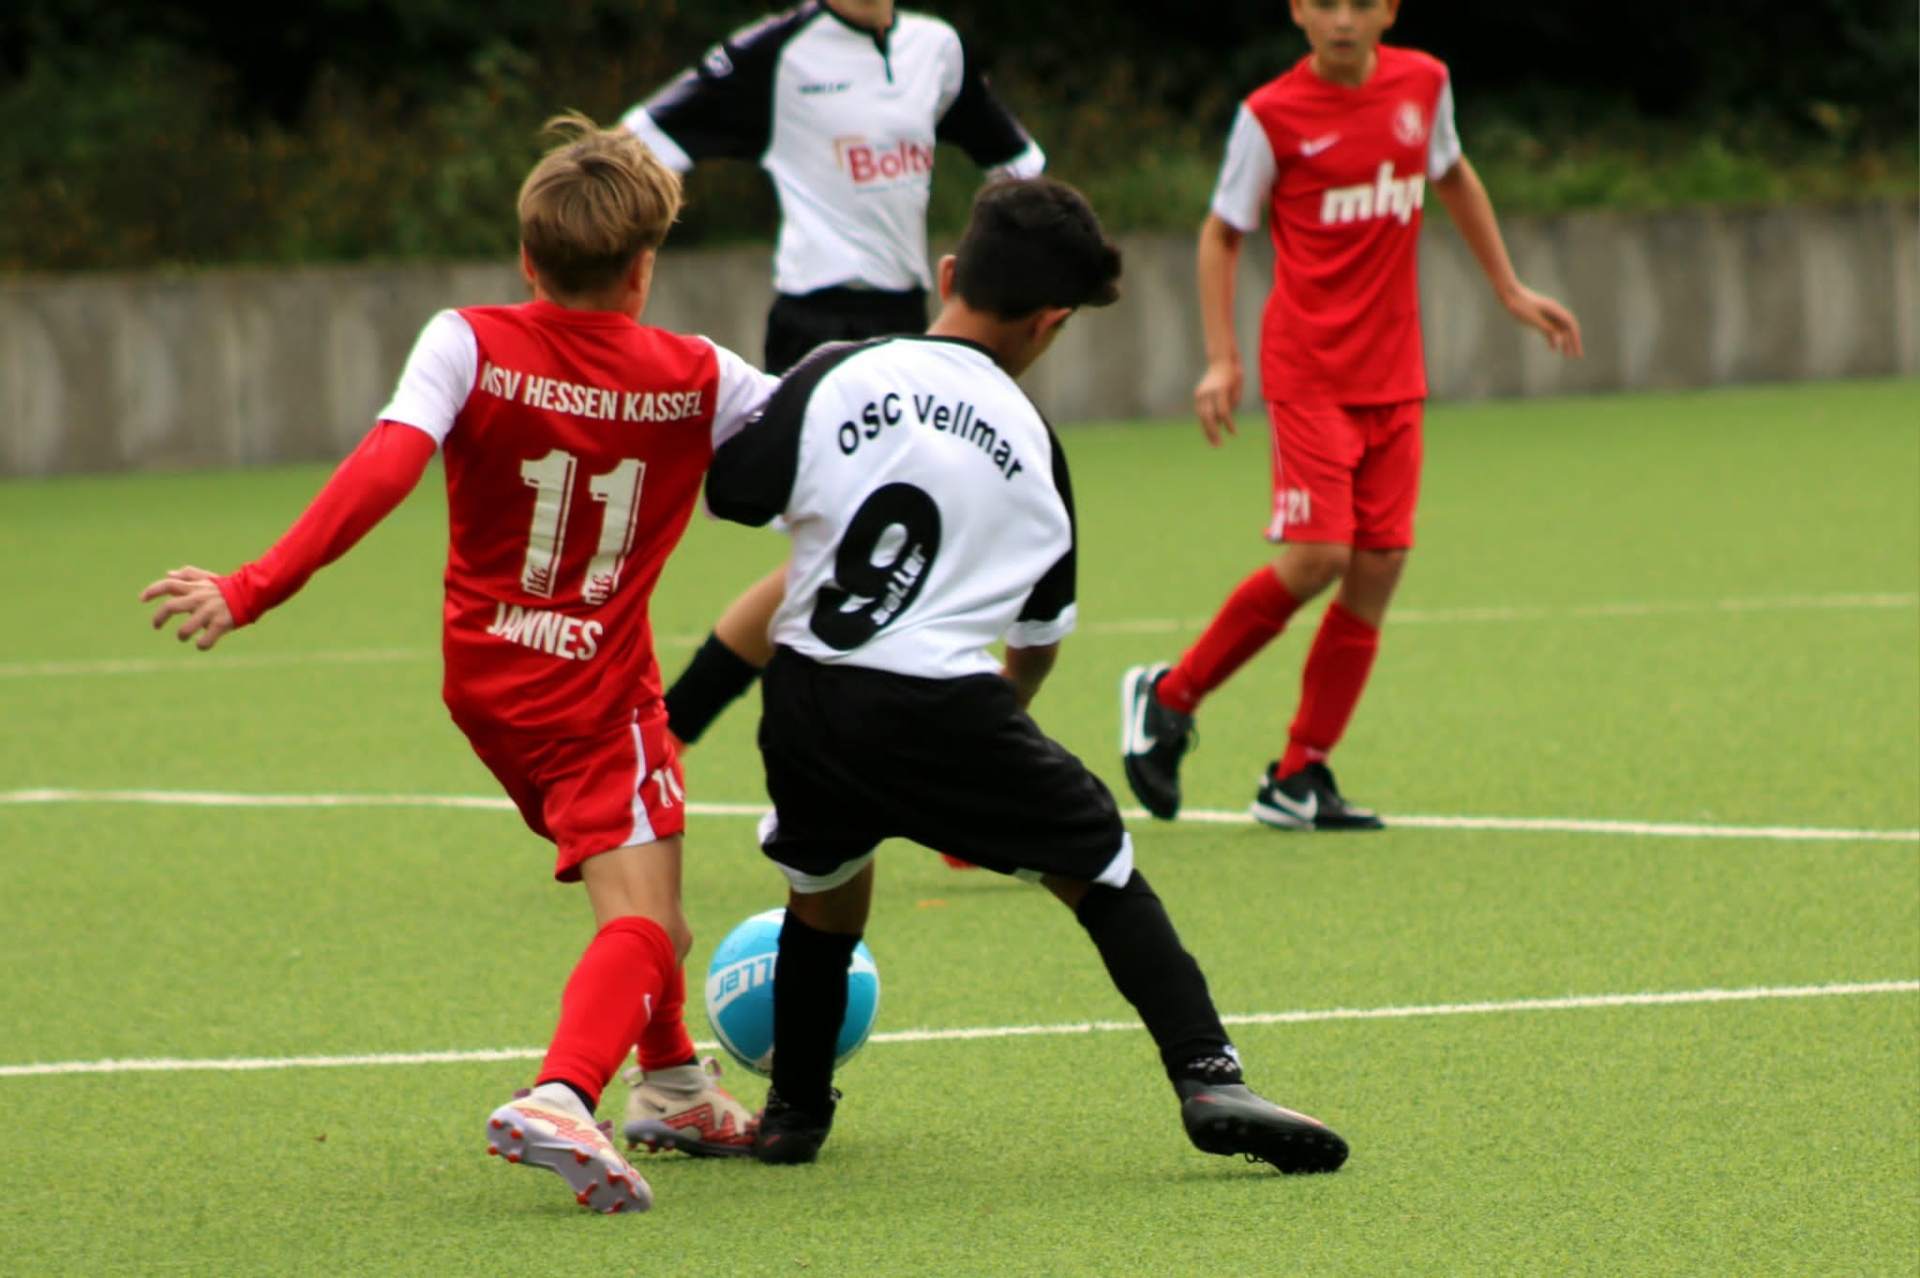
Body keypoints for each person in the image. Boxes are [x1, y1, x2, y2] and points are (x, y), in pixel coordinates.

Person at [140, 114, 775, 1213]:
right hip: (596, 691)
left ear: (528, 258)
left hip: (486, 686)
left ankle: (674, 1084)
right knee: (653, 922)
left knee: (636, 873)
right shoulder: (702, 375)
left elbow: (386, 465)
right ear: (644, 269)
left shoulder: (467, 341)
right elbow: (819, 431)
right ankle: (564, 1093)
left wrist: (252, 586)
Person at [700, 178, 1350, 1174]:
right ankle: (1207, 1072)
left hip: (804, 694)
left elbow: (736, 491)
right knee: (1102, 866)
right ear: (1052, 322)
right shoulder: (1033, 444)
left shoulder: (838, 371)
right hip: (941, 699)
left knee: (823, 893)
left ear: (948, 274)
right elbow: (1040, 634)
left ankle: (793, 1112)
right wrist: (997, 720)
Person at [1120, 0, 1582, 831]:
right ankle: (1171, 696)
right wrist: (1223, 358)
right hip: (1309, 373)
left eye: (1361, 3)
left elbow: (1452, 174)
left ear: (1390, 10)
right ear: (1297, 10)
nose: (1343, 20)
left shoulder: (1424, 84)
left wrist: (1509, 288)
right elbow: (1221, 234)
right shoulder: (1269, 116)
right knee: (1318, 558)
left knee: (1380, 565)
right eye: (1325, 3)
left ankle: (1300, 773)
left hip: (1395, 372)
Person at [623, 0, 1046, 759]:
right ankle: (683, 736)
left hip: (911, 326)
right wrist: (627, 265)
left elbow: (1020, 165)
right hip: (816, 330)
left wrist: (994, 262)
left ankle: (672, 735)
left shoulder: (936, 49)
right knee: (850, 556)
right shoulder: (776, 52)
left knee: (854, 558)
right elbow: (641, 141)